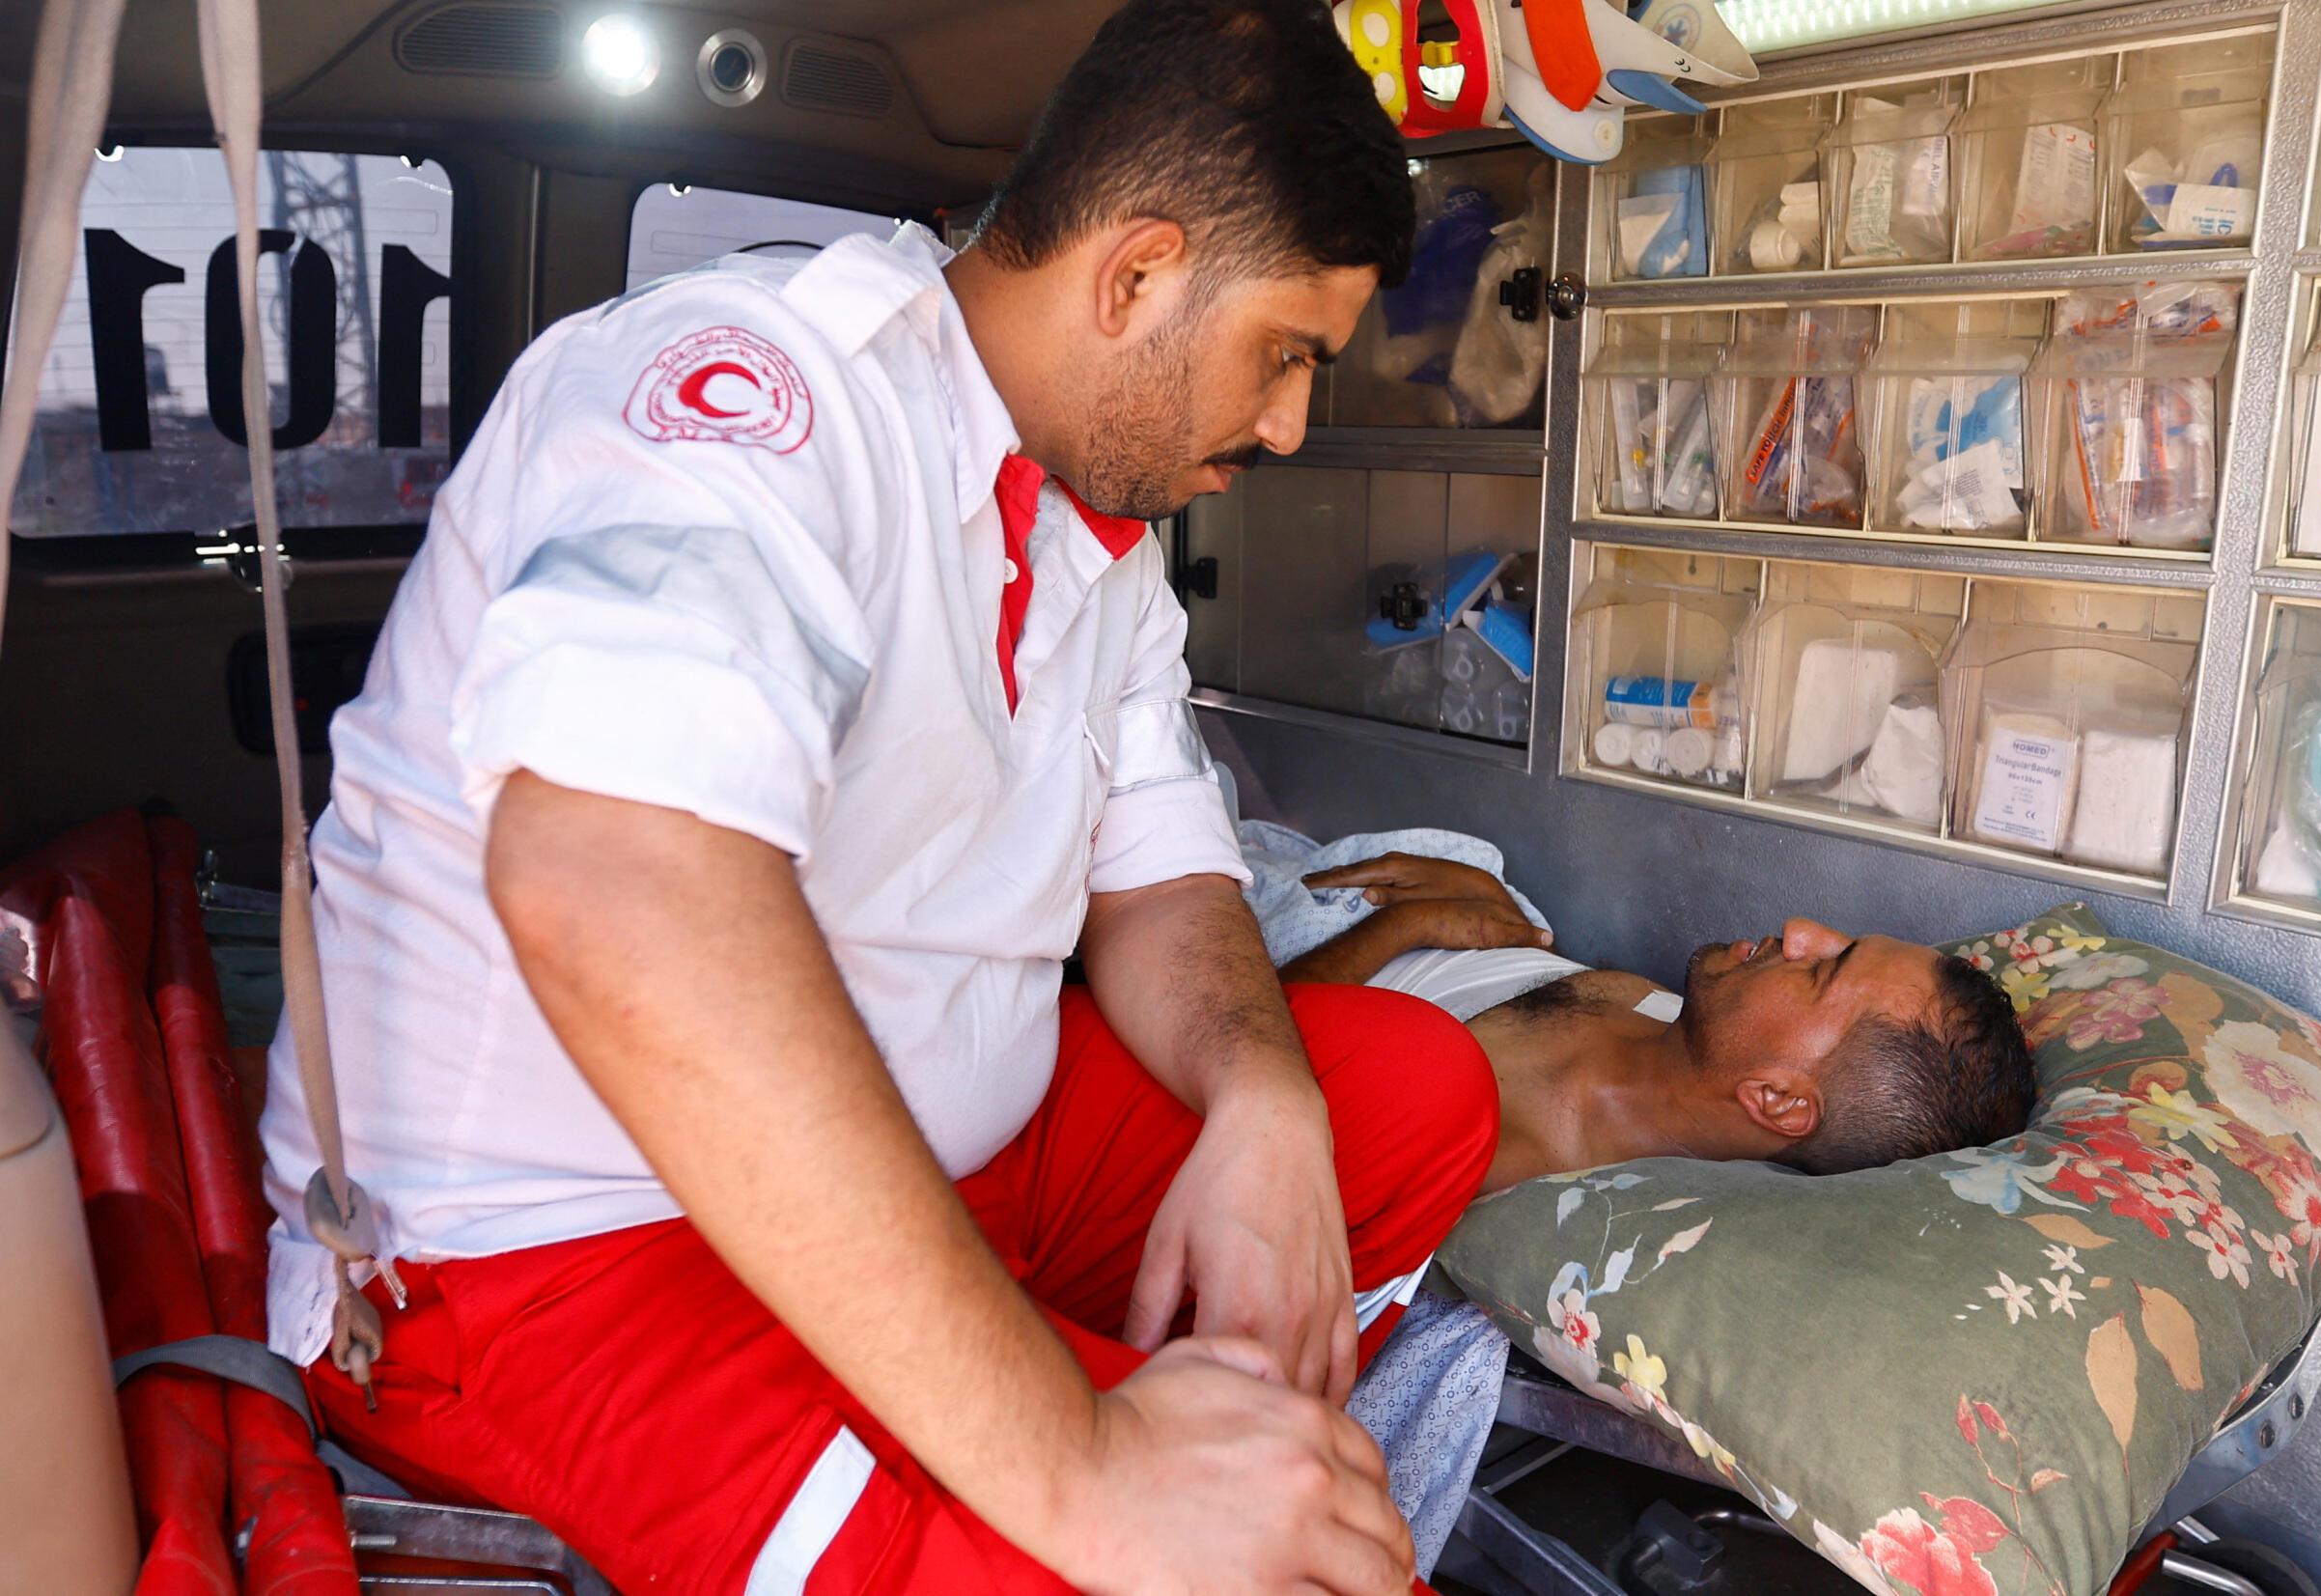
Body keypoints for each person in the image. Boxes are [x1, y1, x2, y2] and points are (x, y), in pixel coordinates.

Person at [256, 6, 1494, 1595]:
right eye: (1285, 355)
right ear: (1134, 278)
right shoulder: (752, 399)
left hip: (954, 1165)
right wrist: (1085, 1465)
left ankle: (1151, 1450)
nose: (1287, 423)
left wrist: (1266, 1102)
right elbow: (610, 881)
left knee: (1408, 1096)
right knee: (1133, 1557)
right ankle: (1113, 1474)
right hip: (556, 1259)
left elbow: (1168, 872)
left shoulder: (1096, 523)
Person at [1275, 853, 2037, 1190]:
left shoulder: (1499, 1146)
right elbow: (1530, 977)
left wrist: (1403, 929)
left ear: (1778, 1100)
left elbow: (1242, 1058)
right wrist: (1494, 918)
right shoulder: (1666, 1015)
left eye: (1821, 968)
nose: (1800, 927)